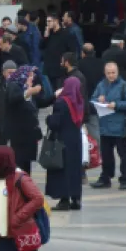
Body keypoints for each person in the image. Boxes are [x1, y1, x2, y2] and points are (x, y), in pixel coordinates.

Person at [90, 62, 126, 190]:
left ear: (117, 72)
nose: (111, 75)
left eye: (113, 72)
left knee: (123, 154)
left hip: (121, 127)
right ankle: (106, 177)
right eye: (108, 73)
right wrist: (97, 101)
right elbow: (92, 100)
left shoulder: (125, 87)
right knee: (106, 154)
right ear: (105, 73)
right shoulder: (101, 85)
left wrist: (116, 105)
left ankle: (125, 179)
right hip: (105, 126)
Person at [45, 77, 87, 212]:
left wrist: (48, 118)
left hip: (62, 140)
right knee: (75, 169)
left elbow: (55, 123)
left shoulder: (62, 103)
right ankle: (76, 199)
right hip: (75, 141)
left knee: (62, 170)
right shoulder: (80, 102)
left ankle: (64, 200)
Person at [4, 66, 43, 174]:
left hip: (29, 135)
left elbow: (40, 102)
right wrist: (28, 92)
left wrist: (54, 96)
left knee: (27, 165)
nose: (32, 78)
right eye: (29, 76)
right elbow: (13, 98)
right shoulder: (14, 86)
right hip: (19, 135)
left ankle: (25, 187)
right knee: (19, 165)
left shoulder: (26, 88)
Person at [43, 14, 79, 88]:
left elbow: (72, 50)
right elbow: (41, 46)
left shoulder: (66, 34)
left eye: (49, 21)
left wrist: (67, 64)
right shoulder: (49, 34)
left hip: (60, 70)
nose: (47, 24)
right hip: (49, 69)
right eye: (47, 21)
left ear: (56, 21)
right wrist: (45, 36)